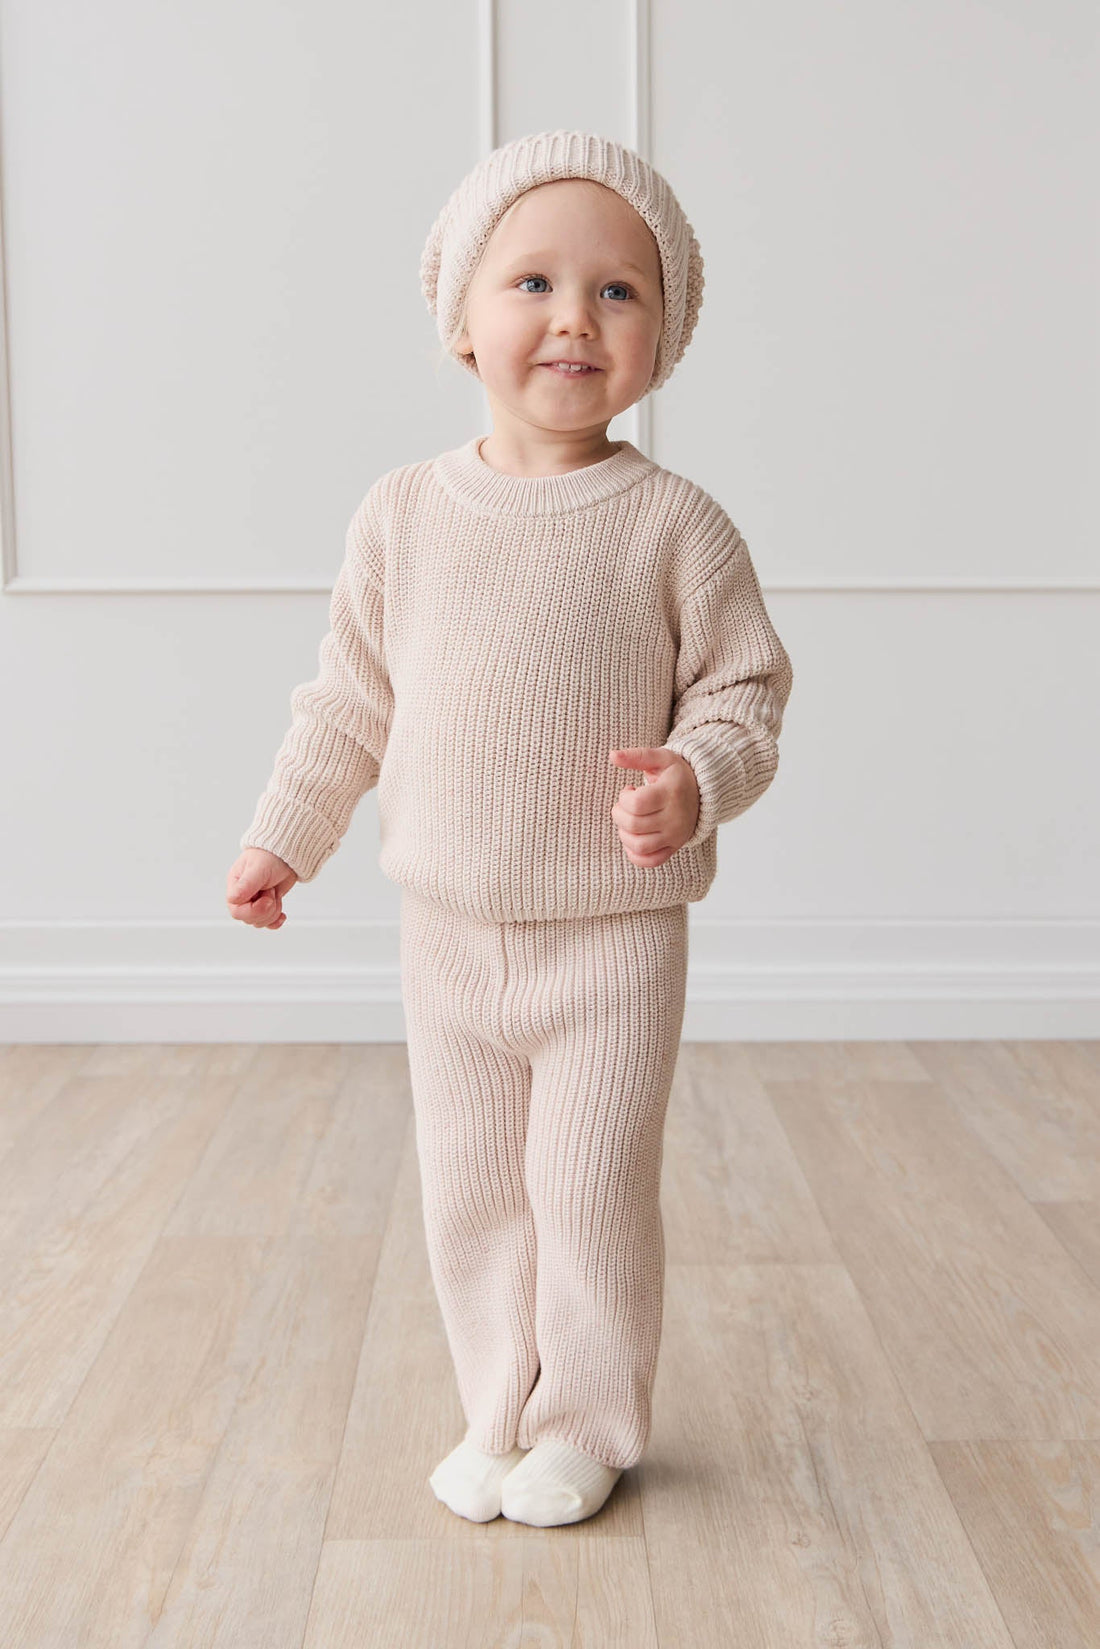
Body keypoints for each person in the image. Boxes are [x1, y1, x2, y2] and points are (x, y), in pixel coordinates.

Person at [226, 130, 794, 1529]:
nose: (573, 319)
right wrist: (285, 835)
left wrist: (695, 777)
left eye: (618, 292)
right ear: (461, 318)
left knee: (588, 1192)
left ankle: (586, 1421)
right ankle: (497, 1412)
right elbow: (349, 701)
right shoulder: (403, 515)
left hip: (612, 940)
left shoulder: (677, 526)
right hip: (449, 933)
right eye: (533, 282)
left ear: (663, 334)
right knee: (473, 1193)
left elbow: (745, 694)